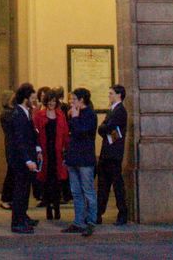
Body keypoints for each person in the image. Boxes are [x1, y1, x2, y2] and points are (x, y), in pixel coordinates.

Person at [3, 84, 40, 235]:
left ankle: (22, 217)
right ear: (25, 99)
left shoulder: (25, 112)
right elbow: (19, 139)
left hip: (27, 157)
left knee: (24, 191)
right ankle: (17, 222)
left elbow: (31, 134)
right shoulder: (18, 114)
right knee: (20, 191)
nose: (35, 101)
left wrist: (37, 149)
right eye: (32, 98)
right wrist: (27, 160)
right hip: (20, 160)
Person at [63, 87, 100, 237]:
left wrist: (76, 117)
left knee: (88, 191)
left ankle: (91, 221)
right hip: (73, 157)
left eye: (73, 99)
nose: (71, 102)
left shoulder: (90, 114)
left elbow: (82, 132)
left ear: (81, 100)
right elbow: (70, 133)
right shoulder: (74, 114)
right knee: (76, 192)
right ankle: (78, 221)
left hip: (85, 159)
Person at [97, 83, 130, 226]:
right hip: (107, 152)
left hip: (114, 154)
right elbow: (102, 128)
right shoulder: (112, 110)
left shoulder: (120, 111)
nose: (109, 96)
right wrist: (103, 127)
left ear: (119, 95)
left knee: (117, 185)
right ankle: (98, 213)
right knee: (103, 185)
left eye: (111, 93)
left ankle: (122, 213)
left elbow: (107, 127)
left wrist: (103, 127)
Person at [35, 88, 67, 221]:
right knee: (47, 182)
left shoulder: (60, 115)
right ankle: (48, 208)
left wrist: (65, 149)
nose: (52, 103)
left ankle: (57, 208)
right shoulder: (39, 115)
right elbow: (36, 134)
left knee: (57, 182)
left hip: (57, 152)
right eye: (49, 101)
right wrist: (38, 151)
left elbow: (65, 133)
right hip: (45, 151)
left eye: (54, 101)